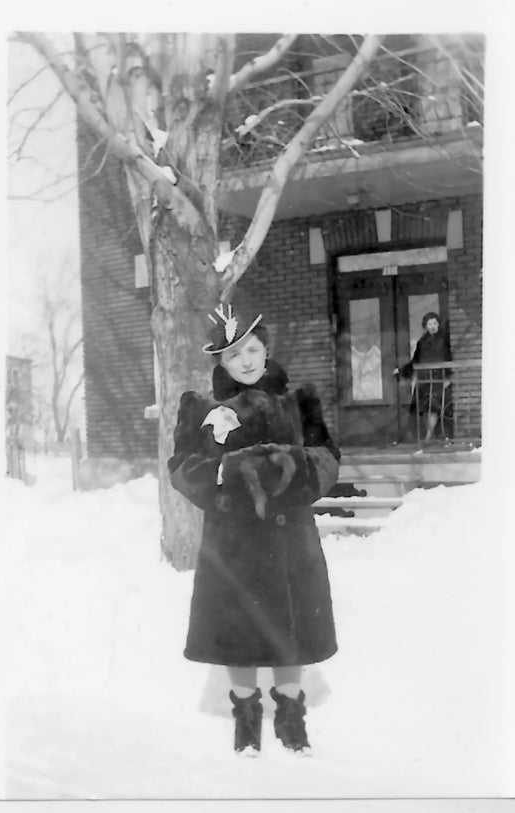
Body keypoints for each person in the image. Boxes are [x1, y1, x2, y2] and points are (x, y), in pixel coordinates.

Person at [168, 304, 340, 756]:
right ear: (220, 364)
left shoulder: (300, 402)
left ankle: (291, 722)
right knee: (239, 634)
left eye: (252, 350)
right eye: (233, 356)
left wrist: (294, 467)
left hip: (291, 541)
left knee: (292, 633)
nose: (245, 361)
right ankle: (246, 726)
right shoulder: (201, 409)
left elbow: (327, 458)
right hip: (234, 545)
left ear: (265, 351)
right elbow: (182, 467)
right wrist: (226, 473)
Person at [393, 312, 452, 441]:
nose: (432, 326)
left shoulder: (445, 340)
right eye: (429, 324)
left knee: (435, 407)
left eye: (435, 323)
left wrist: (448, 376)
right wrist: (402, 371)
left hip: (438, 378)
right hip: (424, 379)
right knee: (425, 409)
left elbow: (449, 357)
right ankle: (426, 435)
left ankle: (429, 436)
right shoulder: (422, 342)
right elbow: (416, 361)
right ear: (425, 326)